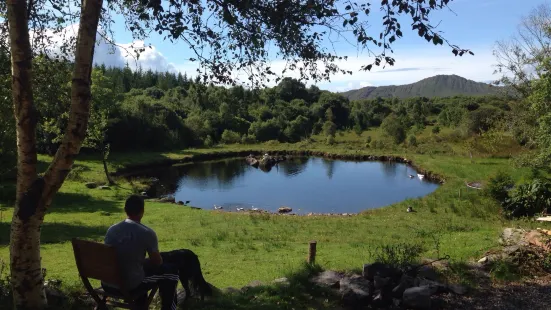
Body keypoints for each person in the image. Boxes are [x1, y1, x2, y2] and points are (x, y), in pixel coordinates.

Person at [102, 195, 179, 310]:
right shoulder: (147, 232)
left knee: (139, 270)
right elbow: (157, 262)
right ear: (142, 211)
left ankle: (141, 305)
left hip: (107, 283)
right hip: (129, 286)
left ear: (125, 210)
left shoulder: (112, 230)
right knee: (171, 272)